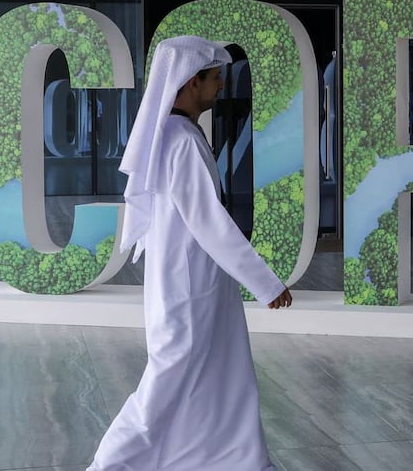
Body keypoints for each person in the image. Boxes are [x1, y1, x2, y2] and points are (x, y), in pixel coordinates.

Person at [88, 35, 293, 471]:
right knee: (166, 382)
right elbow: (209, 221)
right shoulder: (180, 140)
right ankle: (109, 465)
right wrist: (266, 283)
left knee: (219, 376)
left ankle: (235, 459)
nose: (220, 85)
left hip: (193, 282)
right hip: (188, 288)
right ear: (189, 81)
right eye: (214, 77)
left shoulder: (173, 134)